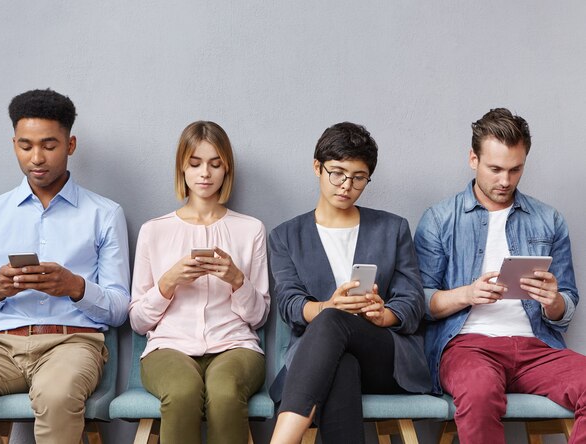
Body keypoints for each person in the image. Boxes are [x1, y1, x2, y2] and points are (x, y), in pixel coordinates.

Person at [0, 89, 131, 444]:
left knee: (56, 397)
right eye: (25, 146)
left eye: (49, 146)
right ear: (14, 144)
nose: (36, 158)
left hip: (71, 344)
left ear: (70, 145)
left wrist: (75, 287)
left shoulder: (104, 214)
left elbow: (119, 309)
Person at [414, 108, 586, 443]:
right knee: (478, 392)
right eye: (495, 169)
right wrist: (467, 294)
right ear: (473, 159)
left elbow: (568, 300)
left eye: (515, 169)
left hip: (537, 347)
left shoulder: (548, 219)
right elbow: (417, 301)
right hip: (467, 347)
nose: (505, 180)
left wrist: (553, 303)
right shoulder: (439, 219)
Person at [269, 122, 431, 444]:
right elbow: (289, 304)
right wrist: (328, 306)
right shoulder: (285, 236)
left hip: (385, 357)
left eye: (358, 178)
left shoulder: (392, 228)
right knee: (340, 362)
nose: (346, 186)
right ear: (318, 167)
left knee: (333, 322)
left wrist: (382, 313)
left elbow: (413, 300)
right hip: (322, 359)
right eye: (337, 173)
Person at [129, 120, 269, 444]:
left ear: (226, 169)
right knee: (181, 391)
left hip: (235, 346)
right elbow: (137, 321)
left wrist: (237, 280)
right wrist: (167, 283)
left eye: (214, 164)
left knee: (224, 391)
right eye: (195, 164)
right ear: (182, 167)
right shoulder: (154, 231)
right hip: (168, 347)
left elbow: (259, 316)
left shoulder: (251, 230)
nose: (205, 173)